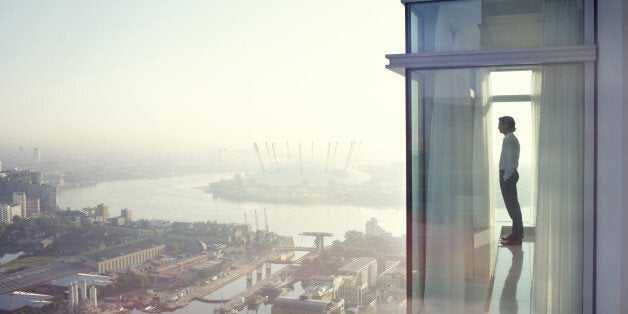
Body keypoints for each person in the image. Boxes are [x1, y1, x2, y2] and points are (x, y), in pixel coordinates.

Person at [498, 116, 523, 245]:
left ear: (506, 125)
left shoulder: (510, 141)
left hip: (508, 175)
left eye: (500, 124)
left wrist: (506, 176)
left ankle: (517, 237)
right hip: (507, 174)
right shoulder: (508, 139)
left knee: (513, 206)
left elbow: (512, 161)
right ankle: (516, 234)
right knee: (512, 206)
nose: (498, 126)